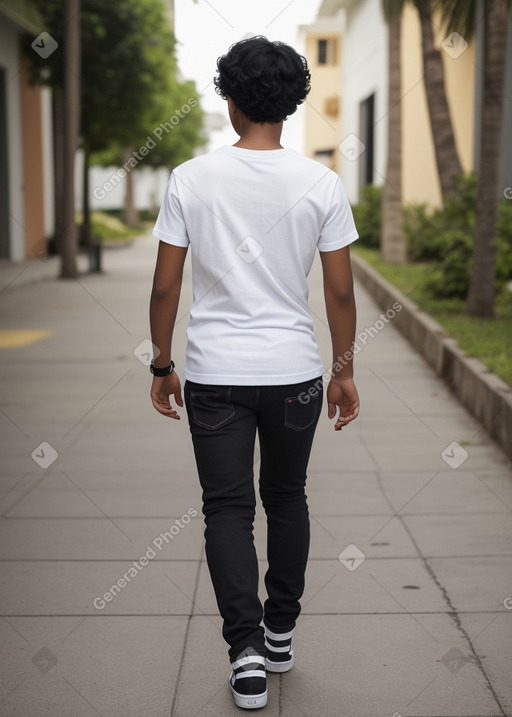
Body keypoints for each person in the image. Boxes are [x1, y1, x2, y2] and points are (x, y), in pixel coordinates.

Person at [149, 35, 360, 711]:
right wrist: (344, 371)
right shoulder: (321, 183)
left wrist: (161, 362)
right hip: (295, 371)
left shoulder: (191, 178)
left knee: (228, 508)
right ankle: (279, 632)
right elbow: (340, 293)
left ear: (232, 100)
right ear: (291, 103)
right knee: (288, 495)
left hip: (214, 372)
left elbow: (164, 287)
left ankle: (243, 652)